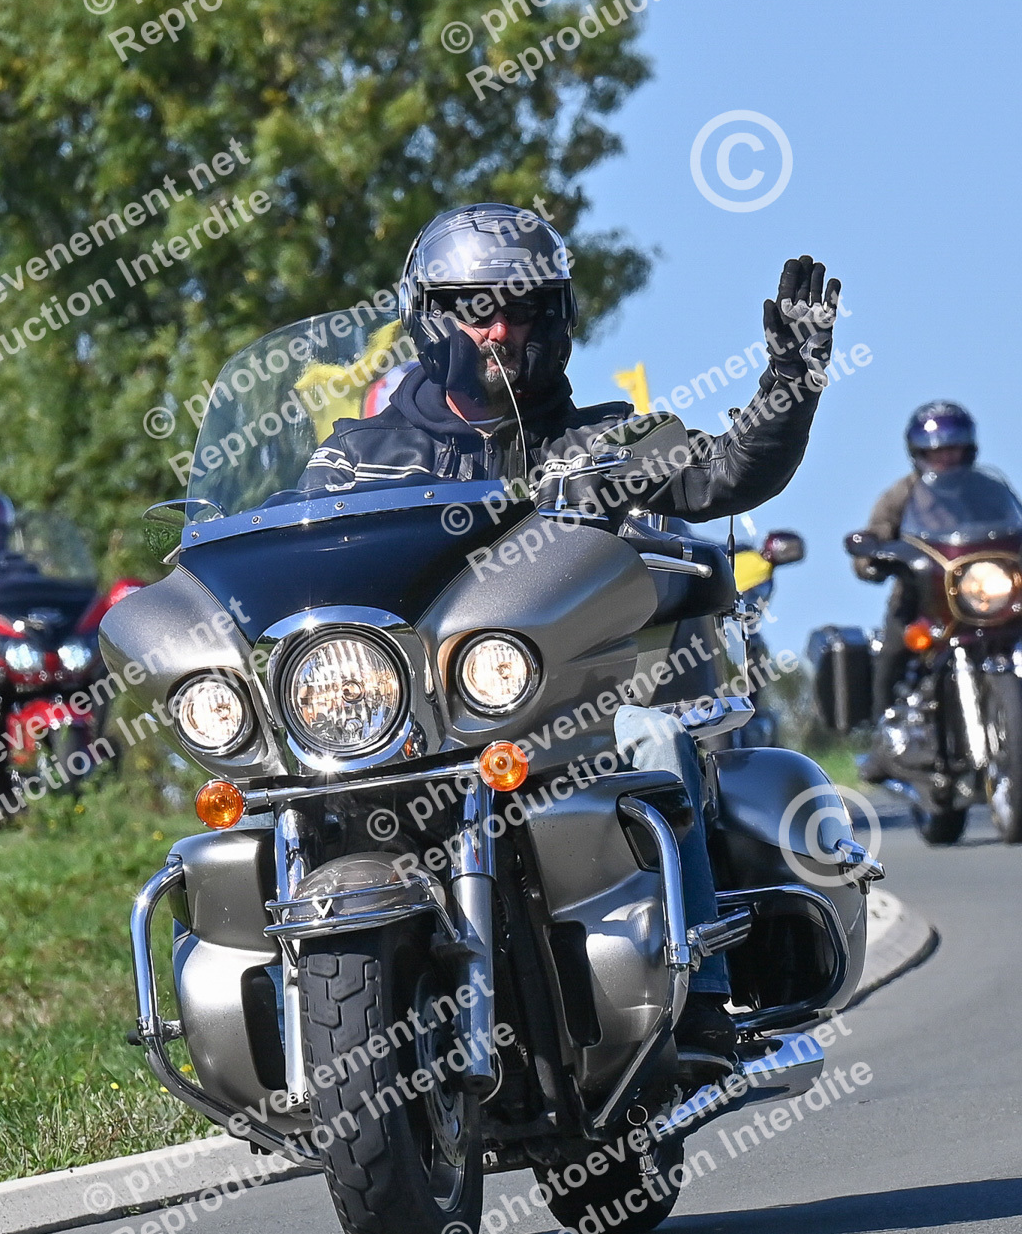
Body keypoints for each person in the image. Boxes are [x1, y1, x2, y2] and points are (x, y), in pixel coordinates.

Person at [298, 203, 842, 1074]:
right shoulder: (354, 458)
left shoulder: (605, 441)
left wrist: (793, 376)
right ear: (429, 317)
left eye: (523, 308)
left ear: (556, 320)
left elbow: (729, 473)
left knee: (656, 736)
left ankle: (701, 1000)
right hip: (408, 726)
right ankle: (305, 1048)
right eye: (476, 309)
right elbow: (291, 565)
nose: (499, 329)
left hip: (568, 720)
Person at [853, 403, 977, 752]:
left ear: (968, 450)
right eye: (936, 451)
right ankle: (883, 736)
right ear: (918, 453)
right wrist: (872, 559)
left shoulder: (986, 490)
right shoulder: (902, 494)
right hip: (922, 600)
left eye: (953, 449)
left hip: (981, 599)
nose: (945, 458)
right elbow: (875, 534)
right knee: (893, 651)